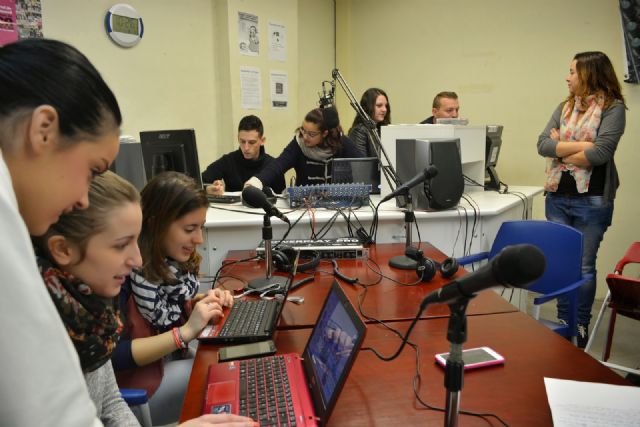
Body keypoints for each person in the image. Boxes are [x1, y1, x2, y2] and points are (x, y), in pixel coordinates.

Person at [0, 38, 253, 427]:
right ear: (43, 130)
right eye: (93, 171)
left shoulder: (75, 300)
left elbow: (105, 405)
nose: (85, 198)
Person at [115, 171, 235, 425]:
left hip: (165, 365)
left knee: (224, 363)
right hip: (134, 393)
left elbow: (170, 309)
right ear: (155, 224)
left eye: (200, 228)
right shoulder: (121, 275)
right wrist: (185, 332)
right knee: (220, 372)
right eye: (190, 229)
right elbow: (114, 355)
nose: (199, 239)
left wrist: (203, 301)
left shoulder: (170, 264)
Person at [33, 171, 143, 427]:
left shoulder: (88, 311)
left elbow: (111, 403)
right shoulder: (35, 335)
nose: (137, 260)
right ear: (63, 249)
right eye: (120, 245)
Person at [537, 51, 626, 348]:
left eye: (572, 71)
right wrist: (583, 145)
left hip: (593, 200)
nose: (567, 76)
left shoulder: (613, 109)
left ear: (589, 74)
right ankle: (565, 323)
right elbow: (542, 145)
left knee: (584, 267)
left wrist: (561, 146)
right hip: (558, 197)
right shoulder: (564, 107)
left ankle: (581, 324)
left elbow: (601, 154)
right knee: (563, 264)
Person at [245, 107, 363, 189]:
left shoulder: (341, 143)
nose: (305, 137)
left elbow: (364, 166)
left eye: (311, 134)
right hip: (305, 207)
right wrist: (256, 182)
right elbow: (278, 165)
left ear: (325, 133)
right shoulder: (298, 143)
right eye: (303, 130)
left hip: (337, 206)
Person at [201, 115, 285, 195]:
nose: (246, 147)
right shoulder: (228, 161)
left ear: (262, 141)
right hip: (231, 210)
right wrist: (207, 188)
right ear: (238, 138)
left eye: (252, 142)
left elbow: (281, 199)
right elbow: (197, 182)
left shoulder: (273, 166)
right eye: (242, 141)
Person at [348, 87, 391, 157]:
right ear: (368, 107)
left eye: (386, 106)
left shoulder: (381, 128)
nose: (384, 109)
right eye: (379, 106)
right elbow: (362, 164)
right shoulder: (359, 131)